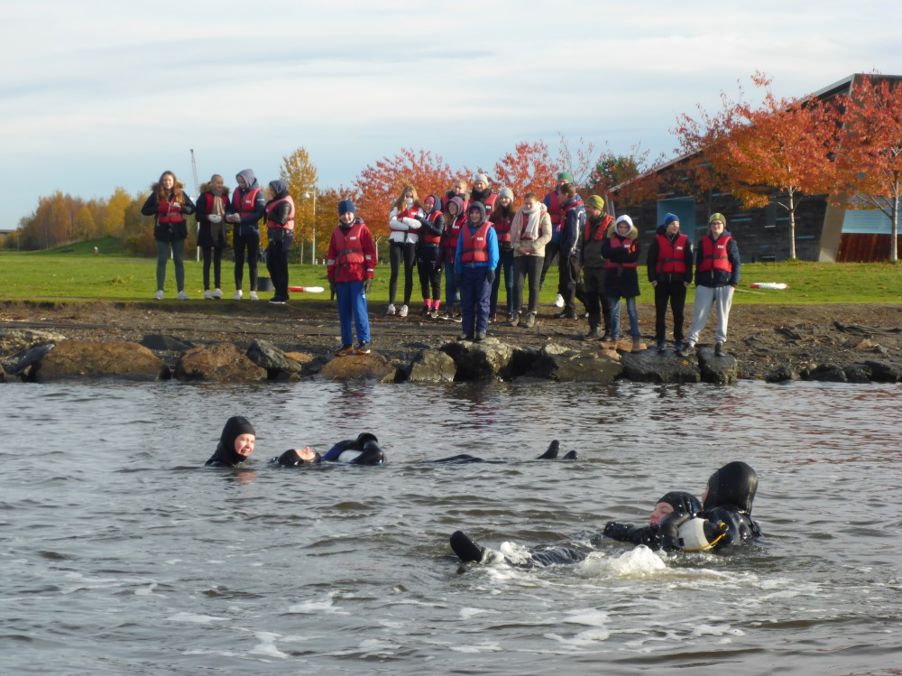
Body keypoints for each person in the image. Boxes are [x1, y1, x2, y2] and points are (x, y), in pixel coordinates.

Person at [450, 490, 699, 567]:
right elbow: (615, 528)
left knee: (562, 554)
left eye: (664, 511)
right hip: (597, 551)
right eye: (655, 508)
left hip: (595, 559)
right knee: (549, 548)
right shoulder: (647, 534)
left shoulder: (674, 540)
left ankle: (498, 561)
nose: (654, 515)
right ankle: (497, 558)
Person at [679, 213, 741, 358]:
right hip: (705, 284)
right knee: (699, 314)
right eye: (713, 224)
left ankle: (719, 344)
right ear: (710, 226)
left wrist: (734, 282)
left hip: (724, 284)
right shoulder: (703, 242)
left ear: (723, 225)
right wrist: (698, 281)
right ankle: (691, 343)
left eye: (719, 223)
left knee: (722, 315)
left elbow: (736, 262)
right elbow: (699, 262)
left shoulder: (730, 241)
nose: (716, 226)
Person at [326, 199, 377, 355]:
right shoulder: (336, 232)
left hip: (357, 276)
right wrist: (331, 277)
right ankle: (347, 344)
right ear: (339, 215)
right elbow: (331, 256)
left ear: (353, 213)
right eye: (343, 214)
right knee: (344, 312)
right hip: (341, 277)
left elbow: (370, 253)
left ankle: (364, 342)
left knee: (359, 309)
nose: (346, 217)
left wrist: (369, 274)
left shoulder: (363, 230)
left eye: (349, 213)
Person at [141, 170, 195, 300]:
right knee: (161, 260)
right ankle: (160, 291)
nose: (167, 182)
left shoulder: (181, 194)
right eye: (165, 180)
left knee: (178, 260)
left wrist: (181, 207)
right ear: (161, 181)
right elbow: (144, 210)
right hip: (162, 230)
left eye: (169, 180)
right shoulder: (156, 195)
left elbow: (192, 209)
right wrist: (158, 208)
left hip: (178, 230)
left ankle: (181, 292)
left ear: (174, 181)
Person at [646, 213, 694, 352]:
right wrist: (653, 279)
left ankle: (678, 339)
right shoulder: (657, 240)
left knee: (678, 312)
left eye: (677, 224)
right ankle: (660, 339)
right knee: (660, 312)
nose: (675, 227)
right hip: (661, 282)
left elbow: (689, 262)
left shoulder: (685, 241)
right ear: (667, 225)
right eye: (672, 224)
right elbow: (650, 261)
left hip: (679, 283)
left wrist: (687, 280)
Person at [454, 202, 499, 342]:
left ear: (482, 214)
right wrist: (458, 270)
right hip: (467, 270)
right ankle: (467, 331)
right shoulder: (464, 230)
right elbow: (459, 252)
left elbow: (494, 251)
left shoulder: (489, 229)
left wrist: (492, 268)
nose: (474, 215)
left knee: (482, 302)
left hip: (483, 270)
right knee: (466, 302)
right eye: (472, 212)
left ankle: (481, 330)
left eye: (477, 213)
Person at [509, 192, 552, 328]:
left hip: (536, 252)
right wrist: (517, 247)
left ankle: (531, 313)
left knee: (534, 285)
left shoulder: (544, 214)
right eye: (525, 203)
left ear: (535, 203)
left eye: (530, 203)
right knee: (517, 284)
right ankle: (516, 312)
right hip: (520, 251)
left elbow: (547, 235)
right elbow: (513, 232)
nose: (527, 206)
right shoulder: (519, 213)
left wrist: (533, 246)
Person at [602, 215, 642, 352]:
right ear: (616, 227)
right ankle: (615, 338)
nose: (623, 229)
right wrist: (620, 251)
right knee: (614, 310)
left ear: (630, 227)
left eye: (625, 227)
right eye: (620, 226)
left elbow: (633, 256)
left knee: (632, 310)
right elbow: (605, 253)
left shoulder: (635, 241)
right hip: (613, 277)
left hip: (629, 278)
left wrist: (615, 255)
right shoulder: (609, 240)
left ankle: (636, 339)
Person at [226, 169, 266, 300]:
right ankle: (238, 290)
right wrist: (229, 216)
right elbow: (232, 207)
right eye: (238, 181)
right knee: (238, 261)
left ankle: (253, 291)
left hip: (252, 232)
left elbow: (259, 213)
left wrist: (242, 219)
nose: (240, 184)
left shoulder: (258, 193)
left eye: (242, 181)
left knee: (253, 261)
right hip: (238, 232)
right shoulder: (236, 192)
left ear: (248, 179)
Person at [580, 195, 614, 340]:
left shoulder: (610, 225)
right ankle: (594, 329)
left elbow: (613, 247)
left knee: (606, 300)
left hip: (603, 268)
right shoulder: (587, 223)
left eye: (589, 207)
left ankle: (610, 331)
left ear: (597, 208)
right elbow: (583, 244)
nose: (586, 210)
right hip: (589, 267)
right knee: (591, 299)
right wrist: (581, 262)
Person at [386, 185, 422, 317]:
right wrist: (408, 226)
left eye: (411, 196)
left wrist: (404, 219)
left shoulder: (418, 209)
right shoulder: (397, 207)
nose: (408, 198)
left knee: (408, 272)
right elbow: (392, 223)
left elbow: (418, 224)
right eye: (406, 195)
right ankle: (391, 304)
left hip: (411, 243)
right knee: (394, 272)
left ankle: (405, 305)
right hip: (396, 241)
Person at [195, 174, 229, 299]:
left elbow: (228, 212)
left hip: (220, 232)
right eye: (217, 182)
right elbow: (198, 215)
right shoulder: (204, 196)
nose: (219, 185)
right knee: (207, 262)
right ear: (211, 183)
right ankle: (206, 289)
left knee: (218, 262)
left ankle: (218, 288)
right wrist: (208, 217)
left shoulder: (225, 197)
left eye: (221, 182)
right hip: (206, 232)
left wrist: (229, 217)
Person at [541, 172, 571, 308]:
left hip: (565, 237)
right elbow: (542, 212)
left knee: (564, 268)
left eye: (565, 181)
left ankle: (561, 295)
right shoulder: (550, 197)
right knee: (544, 264)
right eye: (560, 181)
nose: (562, 183)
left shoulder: (572, 197)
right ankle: (536, 292)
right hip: (551, 236)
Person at [557, 184, 587, 320]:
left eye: (559, 194)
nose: (557, 197)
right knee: (564, 282)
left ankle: (587, 307)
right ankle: (569, 308)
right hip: (569, 250)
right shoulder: (570, 208)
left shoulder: (574, 211)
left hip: (572, 252)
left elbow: (574, 234)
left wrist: (569, 251)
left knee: (571, 281)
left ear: (566, 195)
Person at [263, 179, 295, 304]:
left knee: (280, 265)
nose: (270, 191)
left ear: (278, 189)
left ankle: (282, 294)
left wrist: (269, 215)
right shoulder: (276, 201)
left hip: (282, 237)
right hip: (275, 236)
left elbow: (282, 220)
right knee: (271, 263)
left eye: (272, 189)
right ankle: (279, 291)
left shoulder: (285, 202)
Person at [272, 433, 386, 466]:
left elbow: (342, 445)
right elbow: (376, 454)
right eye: (303, 452)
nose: (306, 448)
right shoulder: (328, 467)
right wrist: (368, 440)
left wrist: (363, 438)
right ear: (302, 463)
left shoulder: (325, 459)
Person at [488, 187, 516, 322]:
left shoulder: (515, 215)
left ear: (510, 199)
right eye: (502, 198)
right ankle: (491, 311)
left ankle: (510, 311)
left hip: (510, 252)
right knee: (494, 282)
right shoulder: (494, 215)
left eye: (506, 197)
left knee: (509, 283)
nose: (504, 200)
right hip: (497, 251)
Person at [415, 193, 444, 318]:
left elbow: (439, 231)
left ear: (435, 204)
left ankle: (435, 306)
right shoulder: (423, 216)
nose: (428, 205)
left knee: (435, 280)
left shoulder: (439, 216)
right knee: (423, 279)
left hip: (434, 250)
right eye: (426, 203)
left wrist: (424, 223)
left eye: (430, 203)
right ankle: (426, 304)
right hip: (422, 250)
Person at [440, 196, 466, 320]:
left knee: (461, 284)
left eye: (454, 206)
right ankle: (448, 310)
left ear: (460, 207)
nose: (452, 208)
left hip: (459, 258)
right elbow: (443, 240)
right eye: (450, 206)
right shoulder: (447, 221)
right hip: (448, 258)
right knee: (449, 283)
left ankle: (462, 311)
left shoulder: (464, 221)